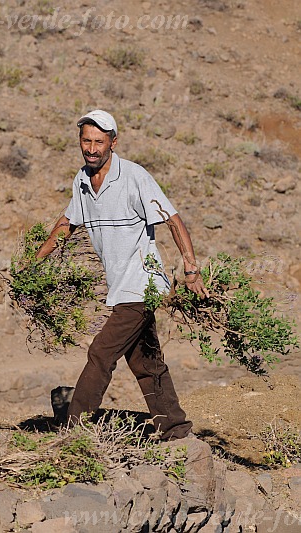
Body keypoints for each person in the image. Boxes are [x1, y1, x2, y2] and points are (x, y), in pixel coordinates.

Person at [36, 110, 209, 440]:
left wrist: (190, 267)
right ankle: (176, 430)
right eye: (86, 140)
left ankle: (73, 434)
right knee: (147, 363)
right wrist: (35, 262)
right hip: (121, 287)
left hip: (142, 284)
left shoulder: (134, 177)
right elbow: (66, 224)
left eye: (99, 141)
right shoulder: (82, 182)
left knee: (101, 353)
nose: (91, 148)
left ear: (113, 143)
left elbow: (172, 220)